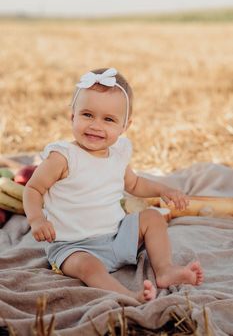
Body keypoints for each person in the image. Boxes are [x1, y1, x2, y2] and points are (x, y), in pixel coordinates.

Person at [23, 67, 204, 303]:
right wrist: (37, 219)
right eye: (87, 115)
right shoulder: (63, 157)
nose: (96, 125)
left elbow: (135, 183)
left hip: (116, 236)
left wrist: (163, 189)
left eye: (108, 119)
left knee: (152, 218)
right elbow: (33, 188)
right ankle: (128, 295)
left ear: (124, 126)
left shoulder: (118, 153)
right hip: (73, 246)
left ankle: (165, 270)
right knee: (89, 267)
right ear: (72, 117)